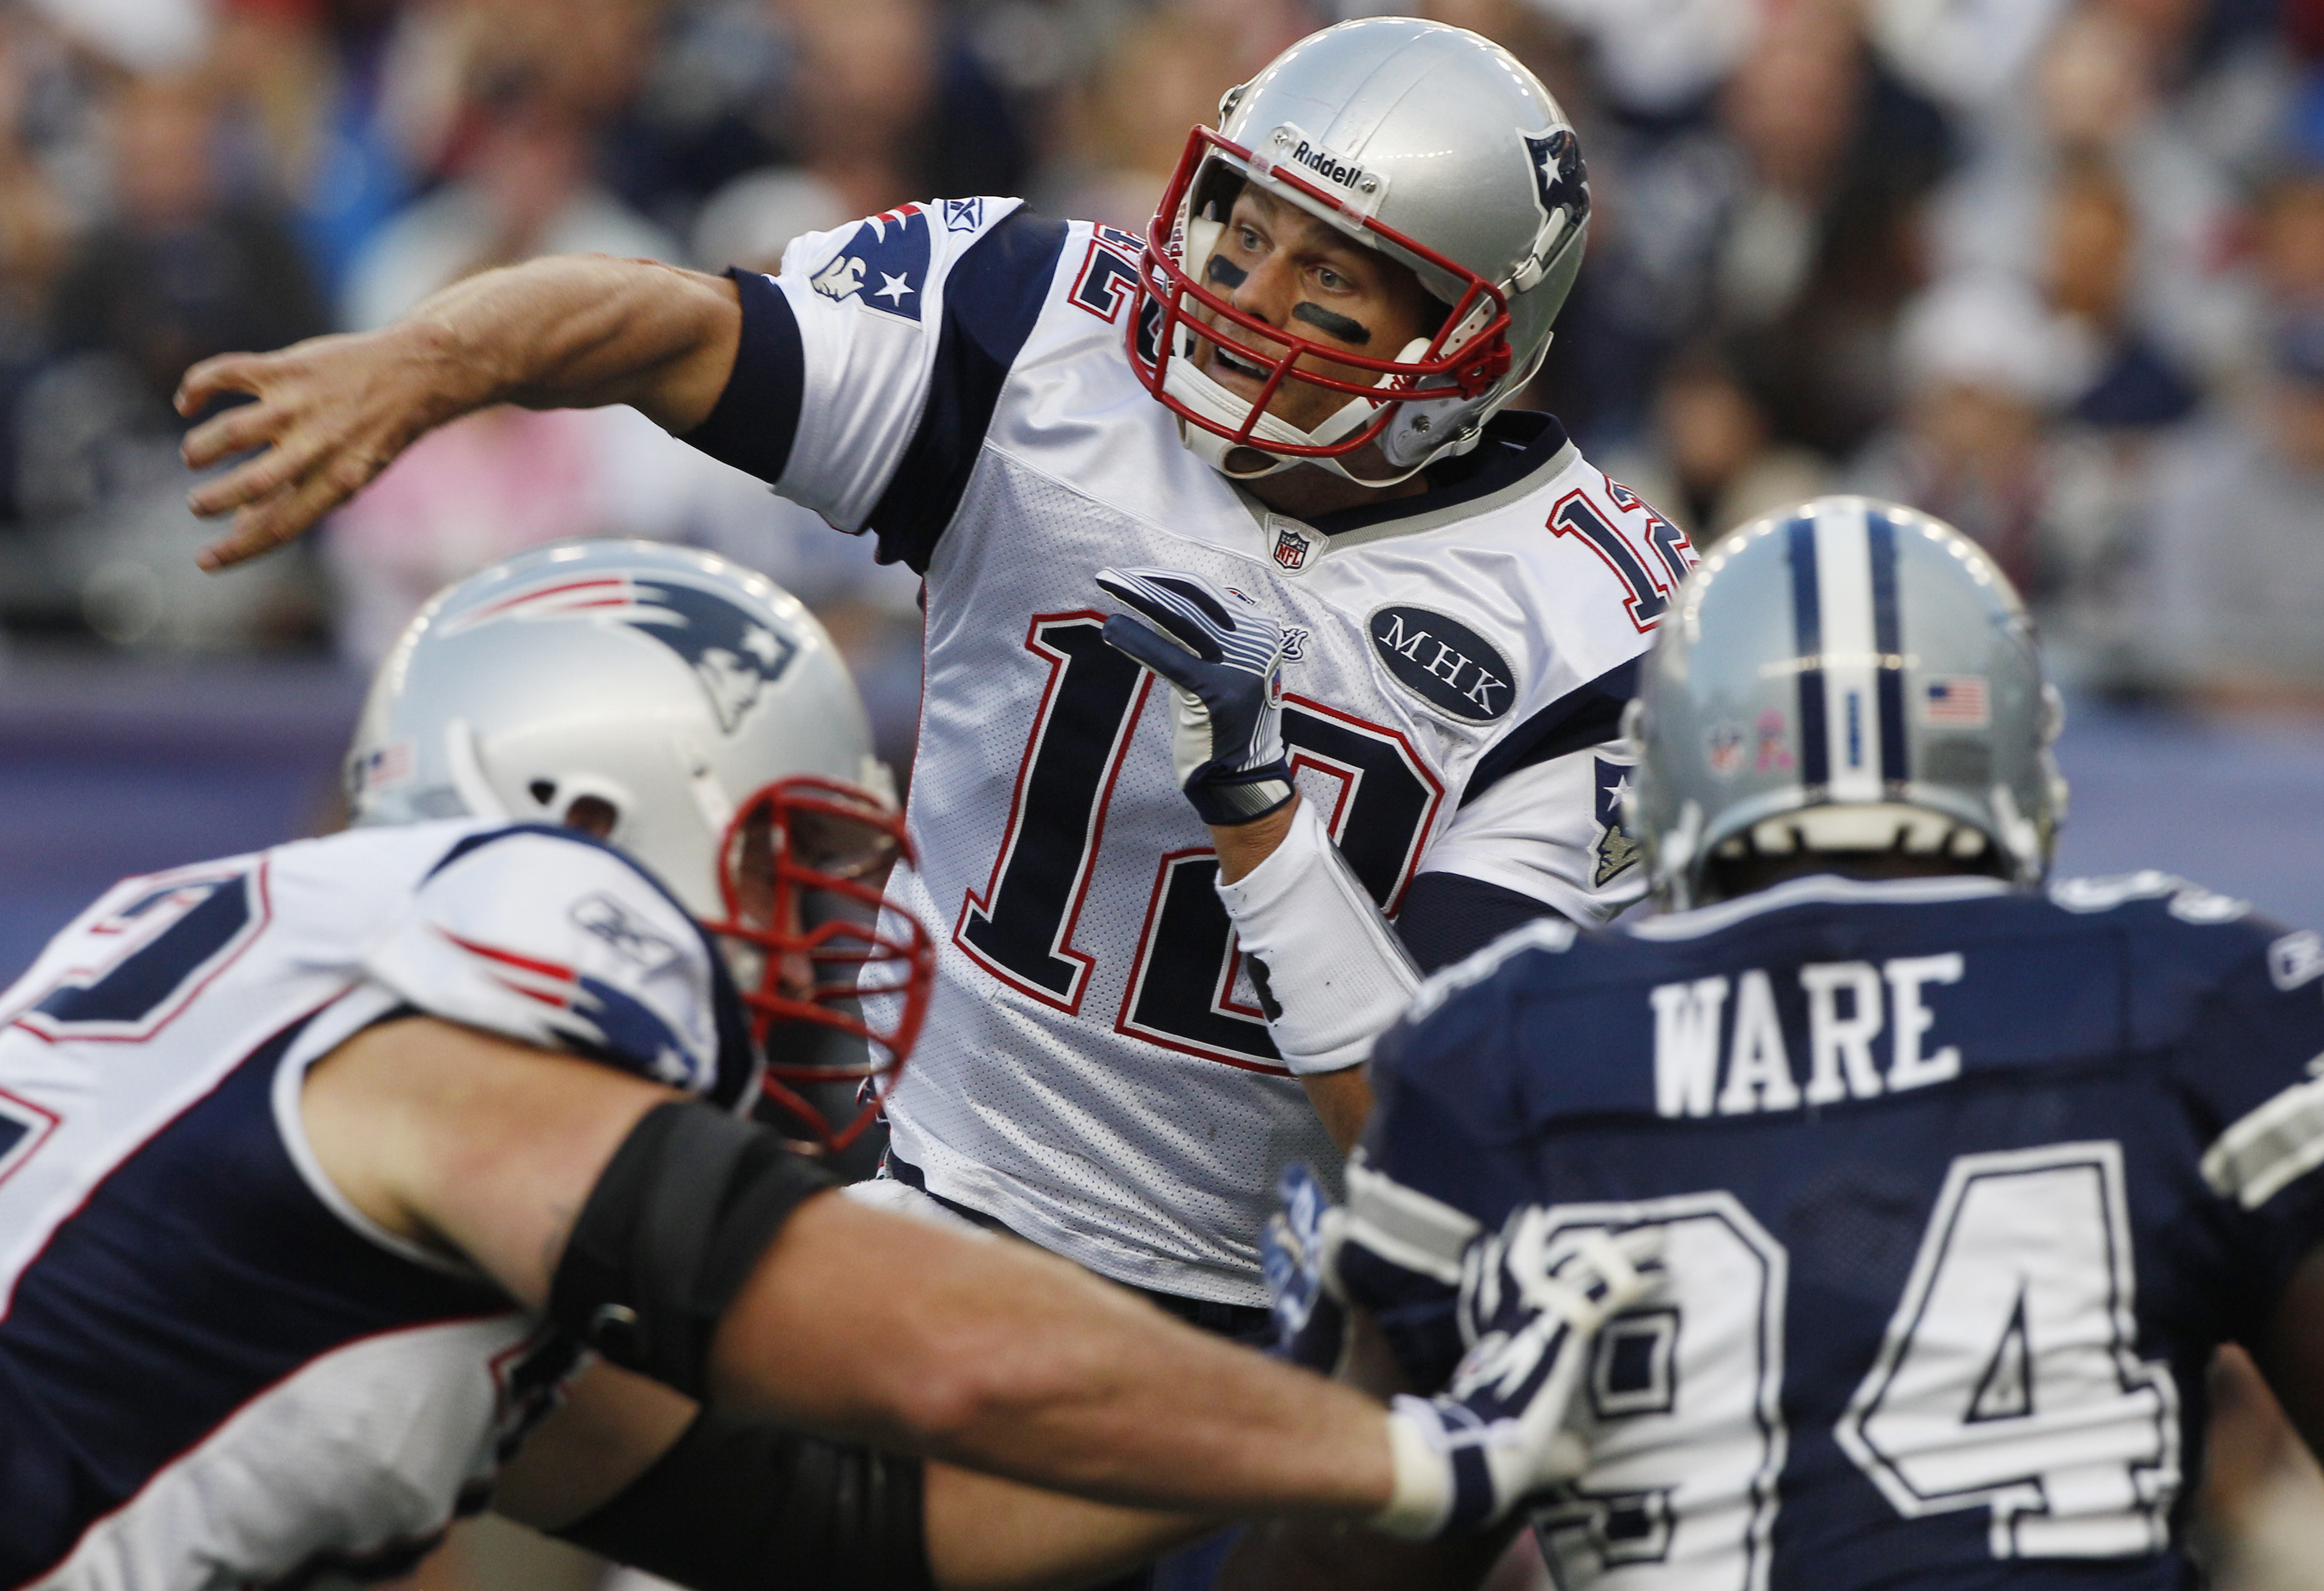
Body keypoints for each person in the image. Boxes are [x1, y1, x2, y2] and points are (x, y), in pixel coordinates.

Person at [173, 15, 1689, 1334]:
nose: (1246, 293)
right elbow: (679, 323)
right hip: (905, 1177)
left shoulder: (1592, 628)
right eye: (1243, 227)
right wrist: (438, 362)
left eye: (1330, 290)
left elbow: (1422, 1138)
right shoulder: (1046, 328)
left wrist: (1261, 818)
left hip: (1252, 1299)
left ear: (1475, 344)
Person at [0, 539, 1650, 1590]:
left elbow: (866, 1523)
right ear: (578, 813)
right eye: (789, 868)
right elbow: (947, 1368)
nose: (828, 945)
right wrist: (1442, 1451)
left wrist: (1352, 1379)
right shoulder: (494, 946)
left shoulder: (278, 1005)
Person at [1230, 494, 2324, 1589]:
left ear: (1674, 769)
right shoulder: (2191, 988)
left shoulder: (1507, 1045)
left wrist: (1332, 1372)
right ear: (2009, 749)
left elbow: (1342, 1570)